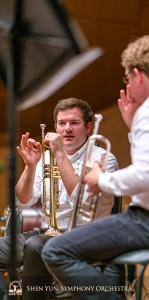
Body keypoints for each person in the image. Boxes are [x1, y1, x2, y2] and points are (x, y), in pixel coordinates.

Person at [41, 35, 149, 300]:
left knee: (55, 251)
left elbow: (147, 175)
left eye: (127, 78)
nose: (129, 85)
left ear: (137, 75)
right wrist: (134, 127)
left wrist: (101, 180)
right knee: (108, 261)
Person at [0, 98, 118, 299]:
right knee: (33, 243)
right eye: (62, 124)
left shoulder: (102, 158)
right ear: (55, 127)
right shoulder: (46, 158)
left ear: (88, 127)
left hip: (85, 233)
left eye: (74, 123)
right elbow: (22, 201)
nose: (67, 129)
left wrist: (60, 154)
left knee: (35, 246)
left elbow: (81, 201)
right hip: (46, 231)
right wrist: (30, 167)